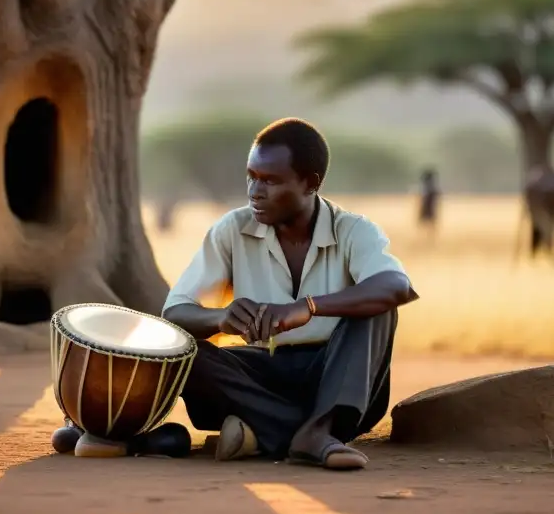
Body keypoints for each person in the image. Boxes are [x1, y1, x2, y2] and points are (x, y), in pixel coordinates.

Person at [162, 117, 418, 471]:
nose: (255, 191)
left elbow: (396, 286)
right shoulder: (232, 229)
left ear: (310, 183)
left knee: (378, 307)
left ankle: (278, 431)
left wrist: (309, 308)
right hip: (257, 379)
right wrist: (220, 317)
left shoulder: (353, 230)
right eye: (251, 176)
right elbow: (174, 313)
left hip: (337, 382)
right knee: (184, 354)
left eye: (270, 180)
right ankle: (310, 436)